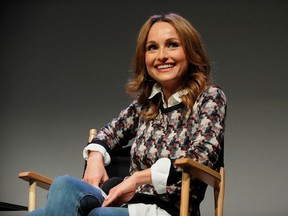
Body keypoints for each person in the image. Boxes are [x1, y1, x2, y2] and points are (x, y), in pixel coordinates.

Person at [28, 12, 227, 216]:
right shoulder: (145, 105)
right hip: (123, 202)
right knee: (61, 185)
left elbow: (202, 156)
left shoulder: (209, 98)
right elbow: (109, 133)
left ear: (191, 51)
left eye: (172, 44)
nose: (161, 56)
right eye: (152, 48)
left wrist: (137, 178)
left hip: (167, 209)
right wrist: (95, 157)